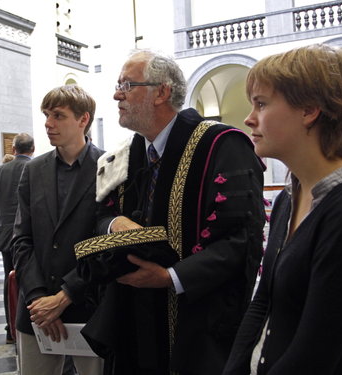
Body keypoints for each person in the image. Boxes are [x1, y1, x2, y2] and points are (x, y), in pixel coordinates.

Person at [80, 50, 266, 375]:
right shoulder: (124, 154)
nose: (115, 94)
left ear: (161, 92)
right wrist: (114, 224)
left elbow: (241, 238)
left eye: (127, 84)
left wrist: (170, 278)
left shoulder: (221, 145)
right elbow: (98, 215)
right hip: (134, 320)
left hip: (194, 322)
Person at [222, 44, 342, 375]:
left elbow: (316, 352)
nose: (249, 118)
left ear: (309, 110)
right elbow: (262, 304)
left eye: (261, 104)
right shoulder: (289, 197)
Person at [12, 85, 105, 375]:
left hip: (88, 306)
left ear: (83, 119)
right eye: (46, 115)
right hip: (36, 311)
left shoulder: (107, 167)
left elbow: (107, 245)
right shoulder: (33, 170)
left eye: (58, 115)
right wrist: (39, 298)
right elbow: (22, 239)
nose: (48, 123)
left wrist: (65, 296)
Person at [0, 132, 35, 344]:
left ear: (14, 150)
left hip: (6, 232)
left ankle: (11, 330)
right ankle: (28, 328)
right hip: (30, 234)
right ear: (32, 149)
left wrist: (1, 226)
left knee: (9, 281)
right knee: (30, 278)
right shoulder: (37, 167)